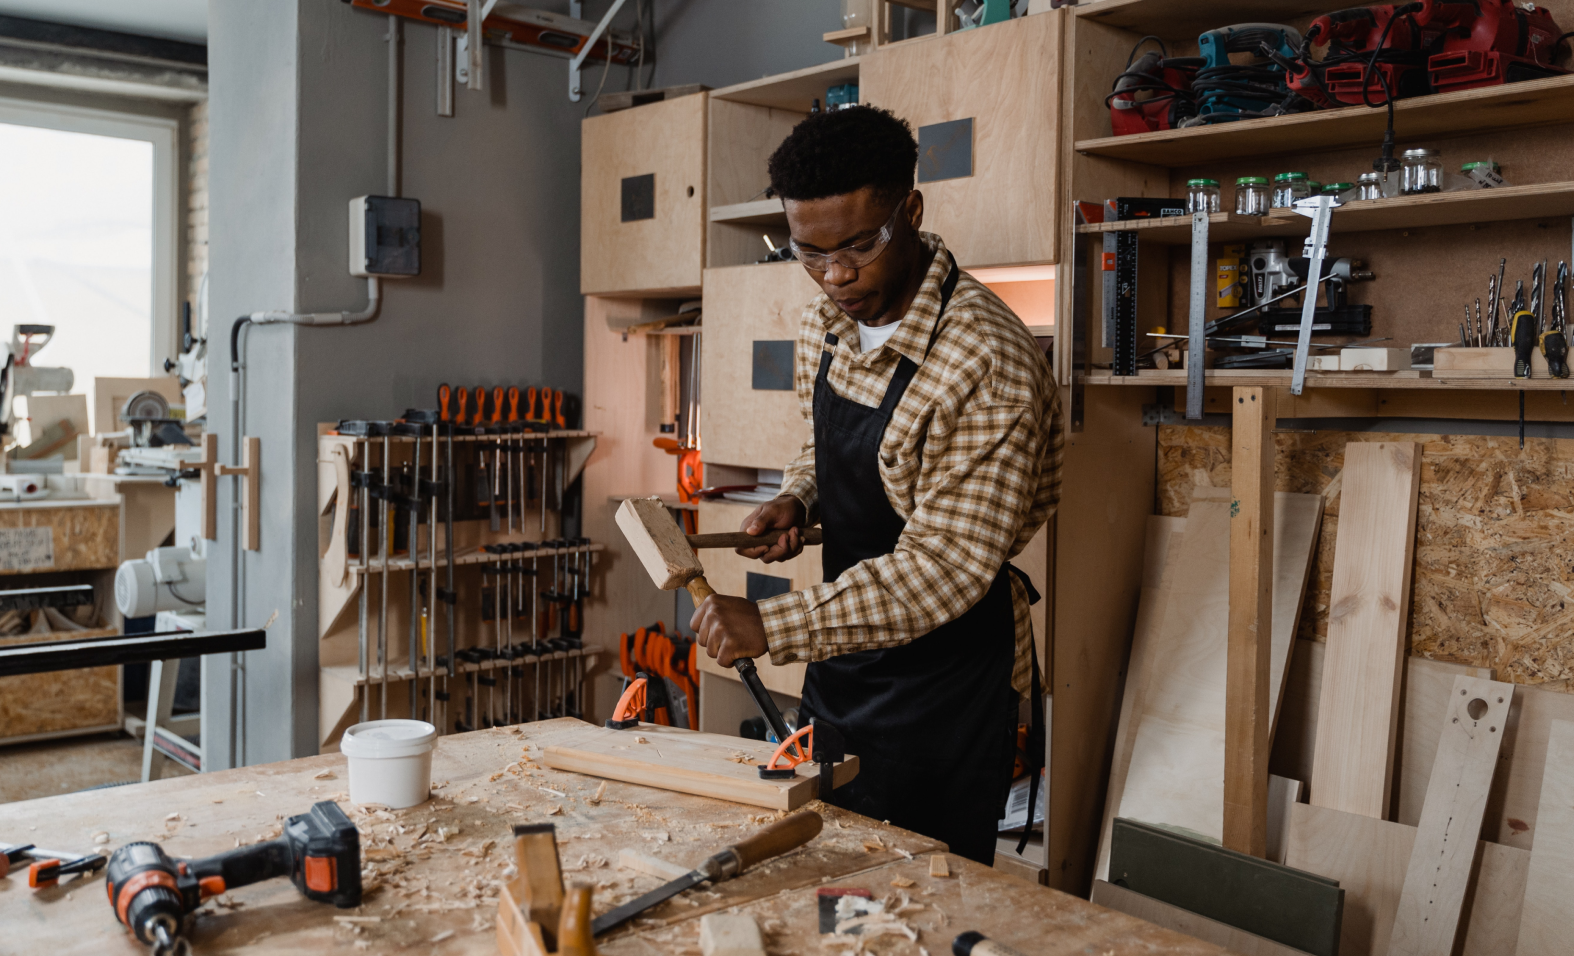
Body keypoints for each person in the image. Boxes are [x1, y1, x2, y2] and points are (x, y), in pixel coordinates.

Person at [688, 105, 1062, 863]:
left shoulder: (986, 362)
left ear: (911, 212)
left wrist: (775, 626)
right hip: (851, 659)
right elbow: (823, 447)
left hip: (947, 682)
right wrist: (802, 494)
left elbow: (944, 570)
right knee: (836, 879)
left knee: (920, 897)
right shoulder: (825, 324)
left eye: (859, 246)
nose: (836, 276)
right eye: (810, 253)